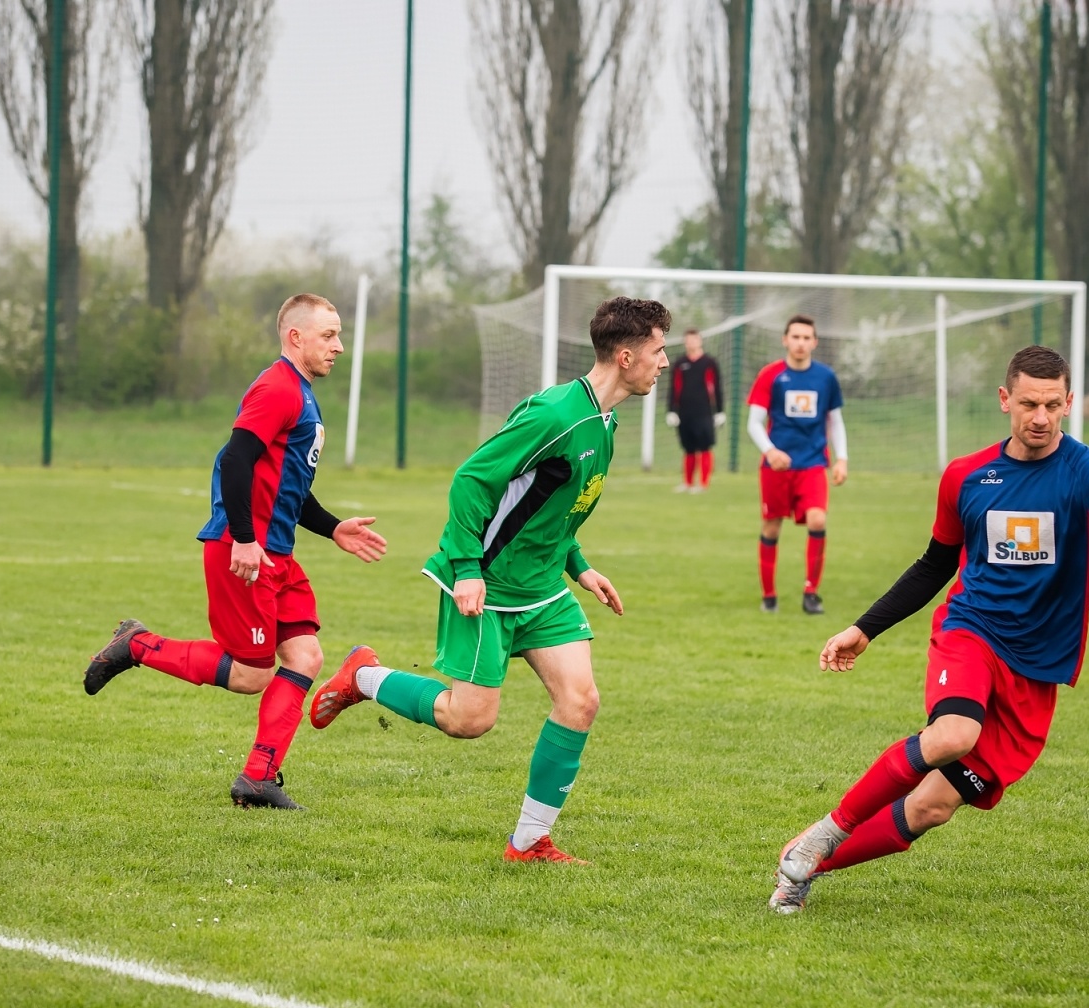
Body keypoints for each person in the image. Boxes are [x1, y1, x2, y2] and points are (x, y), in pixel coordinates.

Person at [767, 345, 1089, 914]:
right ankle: (831, 828)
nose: (1041, 417)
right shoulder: (967, 476)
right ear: (1005, 399)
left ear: (1069, 403)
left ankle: (802, 865)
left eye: (1053, 405)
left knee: (932, 807)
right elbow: (935, 564)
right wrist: (866, 628)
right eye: (1029, 403)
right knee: (954, 734)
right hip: (972, 631)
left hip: (1038, 668)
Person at [306, 297, 671, 864]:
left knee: (581, 701)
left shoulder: (603, 421)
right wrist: (470, 570)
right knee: (470, 719)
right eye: (658, 350)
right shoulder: (556, 415)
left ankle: (528, 843)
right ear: (625, 357)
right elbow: (473, 481)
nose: (664, 362)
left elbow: (547, 506)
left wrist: (580, 567)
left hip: (544, 587)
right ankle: (365, 676)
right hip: (489, 584)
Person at [82, 294, 388, 810]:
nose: (339, 346)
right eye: (328, 335)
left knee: (306, 655)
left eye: (338, 335)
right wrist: (244, 538)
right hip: (245, 550)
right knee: (251, 674)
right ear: (295, 337)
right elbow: (236, 460)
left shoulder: (301, 394)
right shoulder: (277, 388)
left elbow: (286, 485)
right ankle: (136, 645)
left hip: (277, 553)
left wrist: (333, 527)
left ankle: (257, 780)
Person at [746, 314, 848, 615]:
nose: (801, 343)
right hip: (777, 467)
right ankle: (769, 595)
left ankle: (811, 593)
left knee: (818, 520)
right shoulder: (771, 375)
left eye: (807, 338)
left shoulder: (826, 377)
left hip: (813, 463)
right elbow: (754, 422)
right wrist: (770, 451)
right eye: (796, 337)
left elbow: (836, 421)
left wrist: (842, 458)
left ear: (814, 342)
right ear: (785, 340)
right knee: (772, 526)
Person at [665, 328, 725, 492]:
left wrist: (719, 411)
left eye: (694, 339)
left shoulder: (709, 362)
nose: (691, 342)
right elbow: (674, 388)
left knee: (704, 446)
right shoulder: (679, 363)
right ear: (685, 342)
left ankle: (703, 483)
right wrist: (671, 410)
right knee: (688, 447)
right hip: (685, 412)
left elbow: (716, 387)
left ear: (700, 340)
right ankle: (688, 482)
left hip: (704, 412)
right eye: (688, 340)